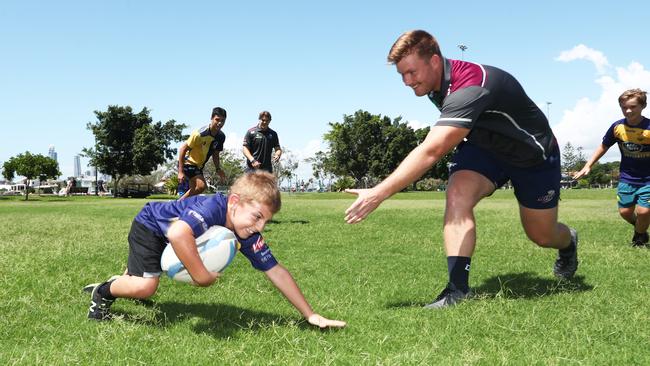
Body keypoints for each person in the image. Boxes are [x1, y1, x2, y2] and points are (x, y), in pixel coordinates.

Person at [344, 30, 579, 308]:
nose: (407, 82)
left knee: (541, 235)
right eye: (402, 75)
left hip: (531, 155)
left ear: (434, 61)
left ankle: (568, 243)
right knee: (457, 194)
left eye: (411, 72)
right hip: (485, 149)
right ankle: (457, 291)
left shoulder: (470, 86)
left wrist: (378, 193)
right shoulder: (435, 85)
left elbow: (432, 150)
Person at [84, 171, 346, 328]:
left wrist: (310, 314)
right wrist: (202, 276)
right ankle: (103, 292)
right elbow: (177, 233)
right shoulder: (212, 209)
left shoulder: (246, 231)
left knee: (140, 282)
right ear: (234, 202)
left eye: (267, 221)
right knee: (145, 288)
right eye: (257, 217)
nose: (261, 227)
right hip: (151, 226)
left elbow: (276, 271)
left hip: (170, 236)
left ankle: (126, 280)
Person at [574, 89, 650, 247]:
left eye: (633, 106)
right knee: (625, 212)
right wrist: (588, 166)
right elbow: (603, 146)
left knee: (644, 211)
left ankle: (639, 237)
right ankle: (641, 228)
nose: (628, 110)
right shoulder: (617, 127)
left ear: (643, 106)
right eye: (624, 107)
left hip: (648, 180)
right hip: (627, 178)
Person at [177, 107, 228, 200]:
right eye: (217, 119)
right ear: (211, 118)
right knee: (201, 186)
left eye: (223, 120)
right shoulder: (199, 134)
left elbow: (215, 154)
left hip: (199, 166)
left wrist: (218, 169)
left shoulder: (221, 137)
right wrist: (180, 171)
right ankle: (176, 205)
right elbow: (182, 149)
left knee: (194, 191)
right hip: (188, 163)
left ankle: (183, 210)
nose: (220, 123)